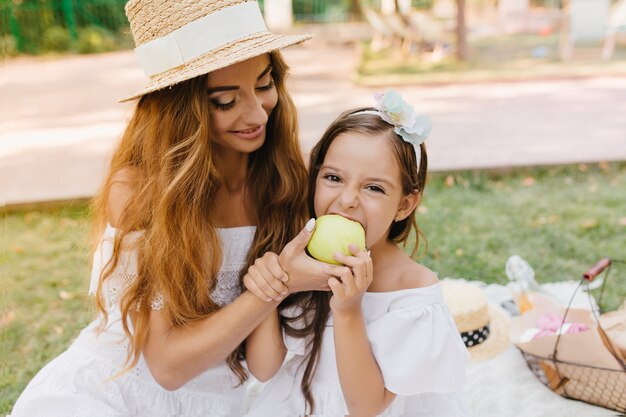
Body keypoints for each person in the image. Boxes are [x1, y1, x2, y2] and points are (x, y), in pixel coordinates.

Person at [9, 1, 332, 416]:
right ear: (183, 108)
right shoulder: (138, 192)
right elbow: (167, 367)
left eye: (264, 84)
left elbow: (266, 359)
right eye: (224, 101)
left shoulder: (285, 181)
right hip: (118, 388)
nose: (256, 113)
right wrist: (277, 283)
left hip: (224, 397)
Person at [243, 91, 470, 416]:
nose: (347, 199)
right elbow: (263, 369)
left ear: (405, 205)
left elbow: (366, 408)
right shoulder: (300, 260)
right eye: (333, 178)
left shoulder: (412, 292)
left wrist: (348, 311)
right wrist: (273, 285)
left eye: (374, 188)